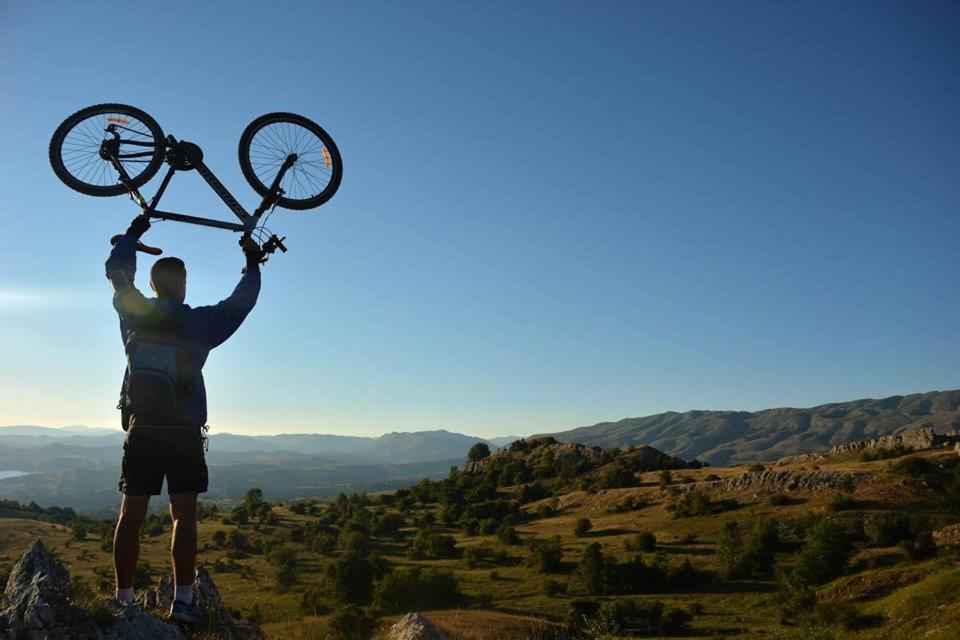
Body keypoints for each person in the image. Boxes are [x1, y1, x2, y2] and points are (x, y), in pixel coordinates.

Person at [105, 214, 264, 623]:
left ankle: (123, 600)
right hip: (184, 432)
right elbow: (241, 301)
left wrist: (132, 236)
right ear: (185, 287)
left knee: (131, 516)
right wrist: (252, 262)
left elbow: (117, 271)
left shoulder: (134, 313)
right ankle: (185, 602)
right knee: (184, 517)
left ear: (153, 285)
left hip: (142, 429)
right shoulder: (200, 323)